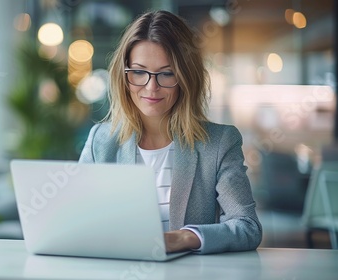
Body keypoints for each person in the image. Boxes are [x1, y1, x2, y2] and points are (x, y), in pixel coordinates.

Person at [78, 10, 262, 254]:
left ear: (185, 78)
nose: (151, 87)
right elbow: (77, 220)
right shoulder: (100, 141)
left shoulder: (218, 143)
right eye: (139, 72)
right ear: (124, 77)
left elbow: (247, 226)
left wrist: (183, 238)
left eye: (167, 73)